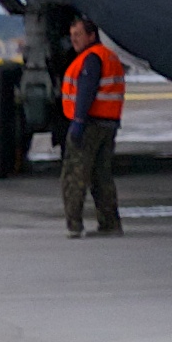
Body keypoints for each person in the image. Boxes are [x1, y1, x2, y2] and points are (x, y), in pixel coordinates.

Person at [57, 17, 127, 238]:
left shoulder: (91, 59)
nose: (74, 40)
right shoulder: (108, 57)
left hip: (90, 124)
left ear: (91, 36)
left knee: (74, 174)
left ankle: (74, 225)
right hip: (108, 124)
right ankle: (110, 223)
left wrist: (78, 122)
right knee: (101, 175)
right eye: (72, 35)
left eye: (78, 35)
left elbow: (86, 92)